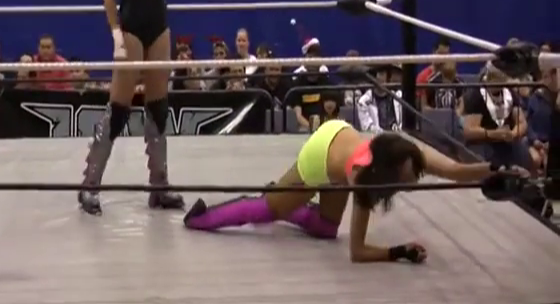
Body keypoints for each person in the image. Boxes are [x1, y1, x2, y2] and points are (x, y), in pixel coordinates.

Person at [183, 119, 525, 263]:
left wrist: (498, 169)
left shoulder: (408, 153)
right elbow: (357, 252)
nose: (413, 181)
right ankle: (200, 219)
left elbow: (455, 170)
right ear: (387, 172)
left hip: (342, 140)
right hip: (320, 155)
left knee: (326, 230)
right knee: (267, 210)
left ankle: (291, 202)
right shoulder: (363, 180)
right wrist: (398, 252)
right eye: (407, 178)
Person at [79, 0, 182, 215]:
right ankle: (90, 185)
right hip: (132, 27)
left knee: (159, 106)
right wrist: (116, 36)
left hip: (159, 25)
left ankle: (159, 185)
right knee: (120, 107)